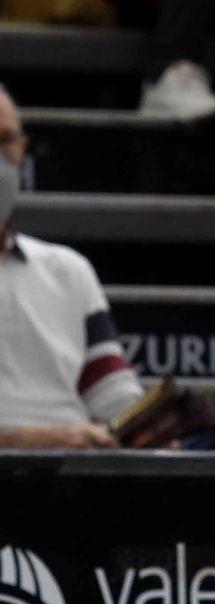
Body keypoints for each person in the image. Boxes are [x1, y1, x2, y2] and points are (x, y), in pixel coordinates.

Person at [0, 85, 143, 449]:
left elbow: (114, 396)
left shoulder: (67, 269)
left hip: (75, 480)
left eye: (6, 140)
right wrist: (36, 440)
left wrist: (146, 429)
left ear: (23, 149)